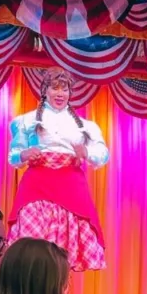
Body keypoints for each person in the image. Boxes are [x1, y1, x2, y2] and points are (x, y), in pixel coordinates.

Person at [7, 68, 109, 271]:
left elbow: (102, 154)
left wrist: (87, 152)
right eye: (55, 88)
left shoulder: (85, 126)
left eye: (65, 89)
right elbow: (13, 156)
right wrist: (25, 154)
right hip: (37, 184)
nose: (60, 93)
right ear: (45, 90)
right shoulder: (26, 121)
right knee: (31, 246)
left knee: (62, 250)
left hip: (70, 185)